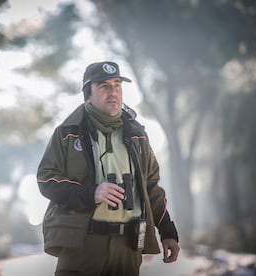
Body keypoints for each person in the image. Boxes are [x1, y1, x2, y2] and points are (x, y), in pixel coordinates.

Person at [37, 61, 180, 276]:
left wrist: (167, 231)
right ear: (88, 95)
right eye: (103, 86)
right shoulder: (67, 133)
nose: (112, 91)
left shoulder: (137, 135)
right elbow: (46, 180)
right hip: (82, 244)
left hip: (128, 247)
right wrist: (90, 193)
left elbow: (151, 187)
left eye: (117, 85)